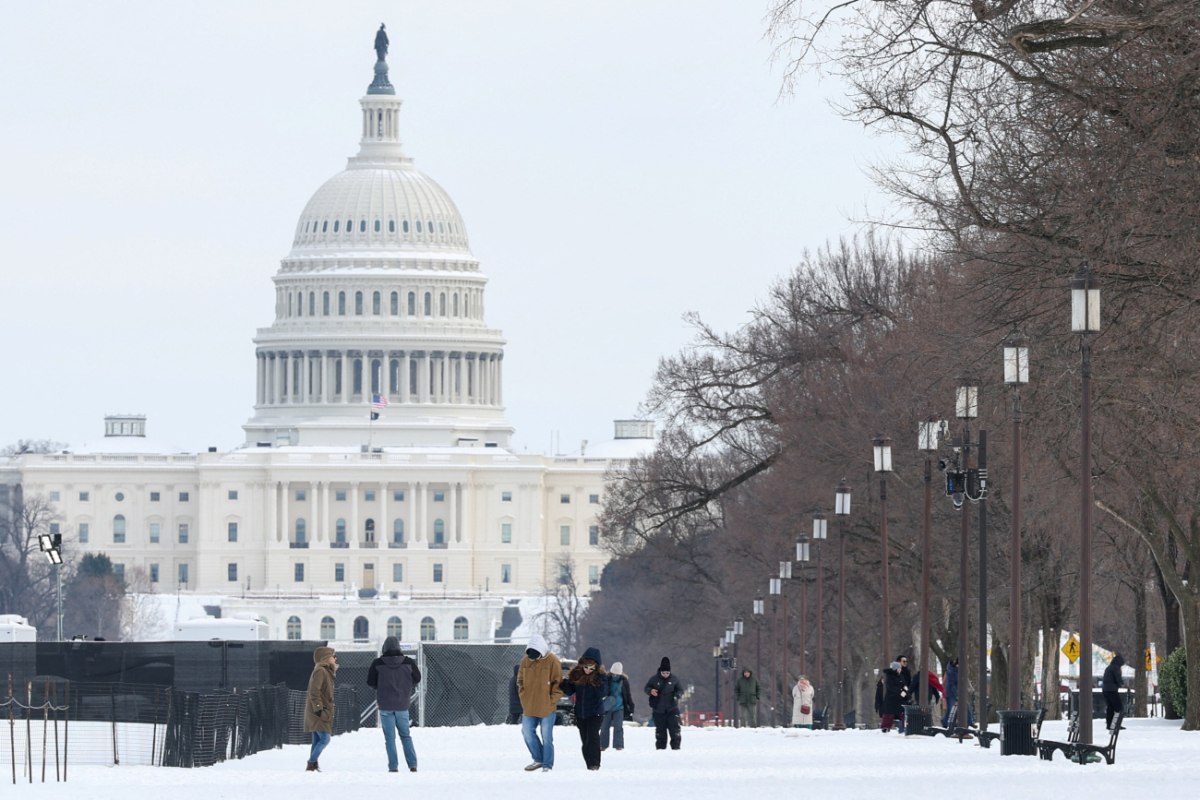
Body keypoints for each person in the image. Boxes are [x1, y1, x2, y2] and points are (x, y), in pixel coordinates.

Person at [366, 635, 420, 773]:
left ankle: (393, 767)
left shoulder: (377, 663)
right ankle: (412, 765)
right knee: (405, 736)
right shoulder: (408, 662)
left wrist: (381, 687)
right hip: (402, 704)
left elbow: (370, 682)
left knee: (390, 738)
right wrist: (407, 686)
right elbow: (417, 678)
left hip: (385, 705)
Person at [517, 633, 562, 772]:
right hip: (529, 706)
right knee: (526, 733)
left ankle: (547, 765)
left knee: (547, 737)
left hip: (547, 707)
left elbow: (558, 684)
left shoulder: (553, 660)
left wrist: (551, 701)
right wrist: (523, 696)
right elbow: (520, 680)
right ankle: (538, 759)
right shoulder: (525, 660)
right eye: (530, 655)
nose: (532, 658)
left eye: (535, 655)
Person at [560, 646, 608, 770]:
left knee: (593, 737)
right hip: (580, 713)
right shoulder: (576, 674)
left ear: (596, 667)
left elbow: (603, 693)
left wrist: (596, 684)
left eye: (591, 668)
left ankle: (595, 764)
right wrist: (564, 683)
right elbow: (570, 691)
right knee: (585, 741)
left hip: (595, 713)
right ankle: (589, 764)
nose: (588, 670)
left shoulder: (601, 677)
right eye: (586, 667)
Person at [304, 645, 337, 771]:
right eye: (333, 656)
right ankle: (311, 762)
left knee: (317, 739)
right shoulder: (320, 671)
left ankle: (313, 765)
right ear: (326, 658)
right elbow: (314, 692)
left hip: (320, 711)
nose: (335, 659)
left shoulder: (326, 671)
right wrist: (319, 710)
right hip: (317, 712)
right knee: (325, 738)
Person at [645, 656, 683, 750]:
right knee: (660, 731)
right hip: (658, 710)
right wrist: (651, 691)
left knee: (675, 730)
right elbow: (646, 688)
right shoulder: (654, 679)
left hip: (672, 709)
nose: (665, 674)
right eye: (663, 672)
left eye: (667, 672)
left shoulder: (674, 679)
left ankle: (676, 748)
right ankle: (660, 749)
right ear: (660, 671)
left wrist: (677, 695)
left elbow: (680, 690)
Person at [600, 661, 634, 751]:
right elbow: (602, 692)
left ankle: (618, 745)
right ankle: (602, 745)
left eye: (617, 674)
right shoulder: (606, 679)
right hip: (607, 707)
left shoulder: (624, 681)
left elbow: (628, 695)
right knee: (604, 727)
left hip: (619, 707)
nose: (615, 675)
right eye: (614, 673)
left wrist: (631, 706)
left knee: (618, 727)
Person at [941, 658, 974, 728]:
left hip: (956, 692)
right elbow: (952, 684)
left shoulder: (956, 671)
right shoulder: (952, 672)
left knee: (965, 706)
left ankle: (969, 722)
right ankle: (947, 723)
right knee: (951, 709)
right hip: (951, 693)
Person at [874, 661, 906, 732]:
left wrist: (906, 693)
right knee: (889, 714)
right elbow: (891, 687)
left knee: (902, 713)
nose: (900, 669)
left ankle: (902, 728)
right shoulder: (890, 677)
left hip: (899, 699)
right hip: (891, 699)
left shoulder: (901, 676)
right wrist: (900, 692)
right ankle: (885, 728)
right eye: (899, 668)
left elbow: (904, 686)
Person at [1102, 651, 1126, 730]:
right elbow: (1118, 678)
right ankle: (1116, 724)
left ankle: (1109, 725)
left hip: (1105, 690)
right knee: (1119, 707)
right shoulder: (1116, 667)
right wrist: (1122, 684)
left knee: (1110, 707)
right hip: (1112, 690)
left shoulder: (1109, 667)